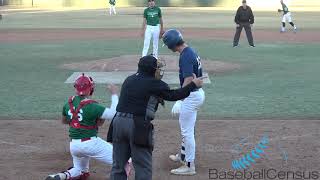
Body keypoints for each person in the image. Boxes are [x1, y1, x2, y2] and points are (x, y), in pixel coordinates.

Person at [108, 55, 206, 180]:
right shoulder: (155, 84)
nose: (159, 70)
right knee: (143, 166)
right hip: (137, 125)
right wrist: (192, 85)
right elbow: (174, 95)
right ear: (151, 69)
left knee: (118, 165)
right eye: (157, 67)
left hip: (117, 123)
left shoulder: (129, 79)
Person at [45, 74, 129, 180]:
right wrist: (114, 94)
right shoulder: (92, 106)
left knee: (80, 171)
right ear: (91, 89)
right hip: (91, 144)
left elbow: (65, 121)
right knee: (124, 160)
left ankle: (61, 176)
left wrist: (82, 122)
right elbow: (113, 113)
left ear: (76, 88)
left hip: (74, 145)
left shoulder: (68, 104)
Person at [162, 29, 205, 176]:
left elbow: (188, 79)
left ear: (171, 45)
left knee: (187, 132)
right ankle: (183, 155)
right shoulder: (190, 51)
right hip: (196, 94)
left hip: (191, 96)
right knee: (187, 128)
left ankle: (189, 165)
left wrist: (180, 100)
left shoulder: (185, 56)